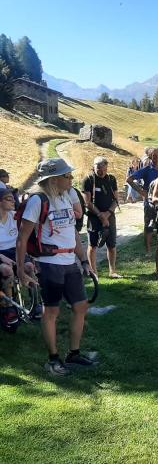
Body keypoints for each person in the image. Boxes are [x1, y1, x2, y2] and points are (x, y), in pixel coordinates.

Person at [16, 158, 94, 376]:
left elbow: (73, 234)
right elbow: (23, 238)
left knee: (81, 307)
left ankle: (74, 354)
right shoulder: (37, 201)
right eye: (66, 176)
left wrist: (84, 261)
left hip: (70, 263)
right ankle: (53, 360)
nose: (71, 179)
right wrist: (21, 270)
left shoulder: (67, 196)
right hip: (50, 264)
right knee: (51, 311)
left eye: (70, 175)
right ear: (53, 179)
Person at [82, 157, 121, 278]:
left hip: (110, 216)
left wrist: (108, 214)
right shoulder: (88, 180)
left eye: (104, 169)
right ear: (94, 167)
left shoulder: (111, 179)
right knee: (92, 245)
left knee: (112, 245)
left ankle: (112, 271)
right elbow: (87, 202)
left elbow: (116, 200)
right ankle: (94, 272)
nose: (102, 172)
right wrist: (100, 215)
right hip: (94, 217)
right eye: (99, 169)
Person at [126, 148, 158, 255]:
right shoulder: (146, 169)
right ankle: (148, 250)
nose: (156, 157)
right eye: (154, 155)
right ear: (150, 157)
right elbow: (129, 179)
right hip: (150, 203)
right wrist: (141, 191)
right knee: (149, 226)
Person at [0, 188, 37, 297]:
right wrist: (1, 257)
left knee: (30, 266)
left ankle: (36, 302)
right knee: (6, 270)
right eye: (9, 199)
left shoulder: (15, 216)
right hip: (1, 253)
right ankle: (10, 306)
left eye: (13, 198)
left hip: (15, 250)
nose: (14, 201)